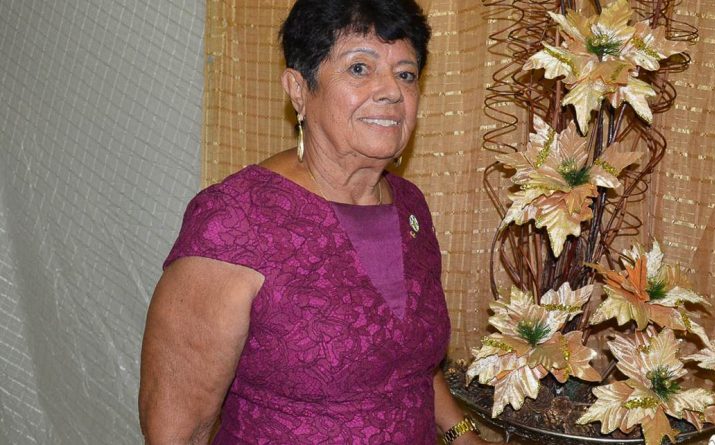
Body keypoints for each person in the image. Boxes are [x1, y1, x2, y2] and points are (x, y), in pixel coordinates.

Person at [138, 1, 492, 444]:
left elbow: (407, 359)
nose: (391, 91)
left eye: (406, 74)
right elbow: (176, 431)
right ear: (298, 89)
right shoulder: (236, 221)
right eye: (359, 68)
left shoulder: (410, 207)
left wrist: (462, 433)